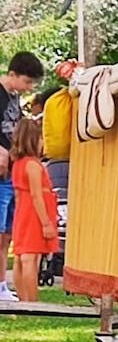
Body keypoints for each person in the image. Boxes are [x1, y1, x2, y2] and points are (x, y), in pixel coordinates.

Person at [0, 52, 44, 302]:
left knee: (7, 233)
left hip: (13, 171)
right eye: (26, 82)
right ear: (13, 74)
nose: (28, 88)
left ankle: (3, 285)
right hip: (2, 170)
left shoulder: (15, 99)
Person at [9, 118, 57, 302]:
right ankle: (31, 302)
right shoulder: (33, 165)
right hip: (34, 215)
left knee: (21, 258)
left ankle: (23, 300)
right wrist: (45, 223)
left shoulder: (18, 164)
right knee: (31, 259)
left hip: (22, 213)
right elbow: (37, 195)